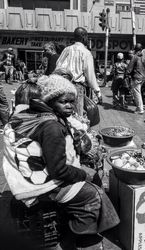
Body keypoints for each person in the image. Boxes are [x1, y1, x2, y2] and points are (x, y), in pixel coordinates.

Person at [3, 74, 119, 250]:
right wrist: (81, 174)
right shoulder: (51, 127)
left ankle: (78, 221)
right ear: (50, 101)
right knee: (94, 195)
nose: (70, 106)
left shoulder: (40, 114)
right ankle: (68, 239)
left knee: (92, 177)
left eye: (72, 102)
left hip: (31, 177)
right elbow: (59, 171)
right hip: (41, 186)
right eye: (64, 101)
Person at [54, 27, 102, 116]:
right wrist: (98, 92)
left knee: (64, 114)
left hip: (63, 86)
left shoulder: (66, 49)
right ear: (83, 37)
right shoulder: (86, 52)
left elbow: (58, 66)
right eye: (87, 36)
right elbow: (90, 76)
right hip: (76, 88)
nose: (87, 39)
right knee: (76, 115)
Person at [127, 43, 145, 114]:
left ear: (135, 50)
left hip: (137, 77)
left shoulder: (134, 57)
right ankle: (139, 108)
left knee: (137, 93)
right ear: (141, 49)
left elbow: (130, 68)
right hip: (143, 78)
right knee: (138, 92)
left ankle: (140, 109)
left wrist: (127, 74)